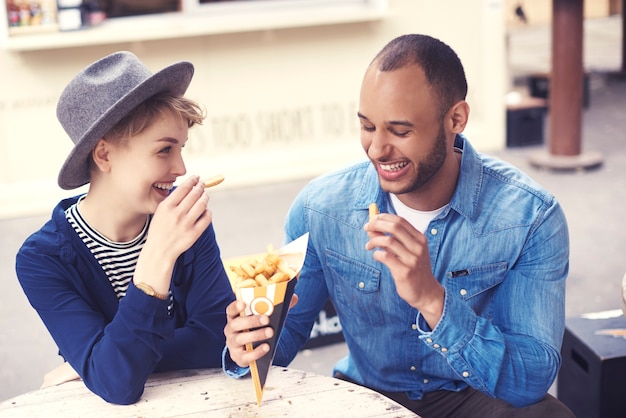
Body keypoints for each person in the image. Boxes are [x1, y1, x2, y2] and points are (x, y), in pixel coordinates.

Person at [223, 34, 575, 417]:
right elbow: (285, 338)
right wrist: (249, 346)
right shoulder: (319, 208)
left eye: (400, 131)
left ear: (456, 119)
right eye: (367, 127)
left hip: (474, 394)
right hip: (366, 397)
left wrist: (433, 300)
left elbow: (530, 379)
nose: (376, 149)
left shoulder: (530, 217)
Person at [15, 51, 235, 405]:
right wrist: (158, 256)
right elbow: (118, 387)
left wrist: (93, 363)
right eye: (164, 150)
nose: (181, 167)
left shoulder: (183, 217)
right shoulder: (42, 259)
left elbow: (217, 338)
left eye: (181, 148)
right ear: (104, 156)